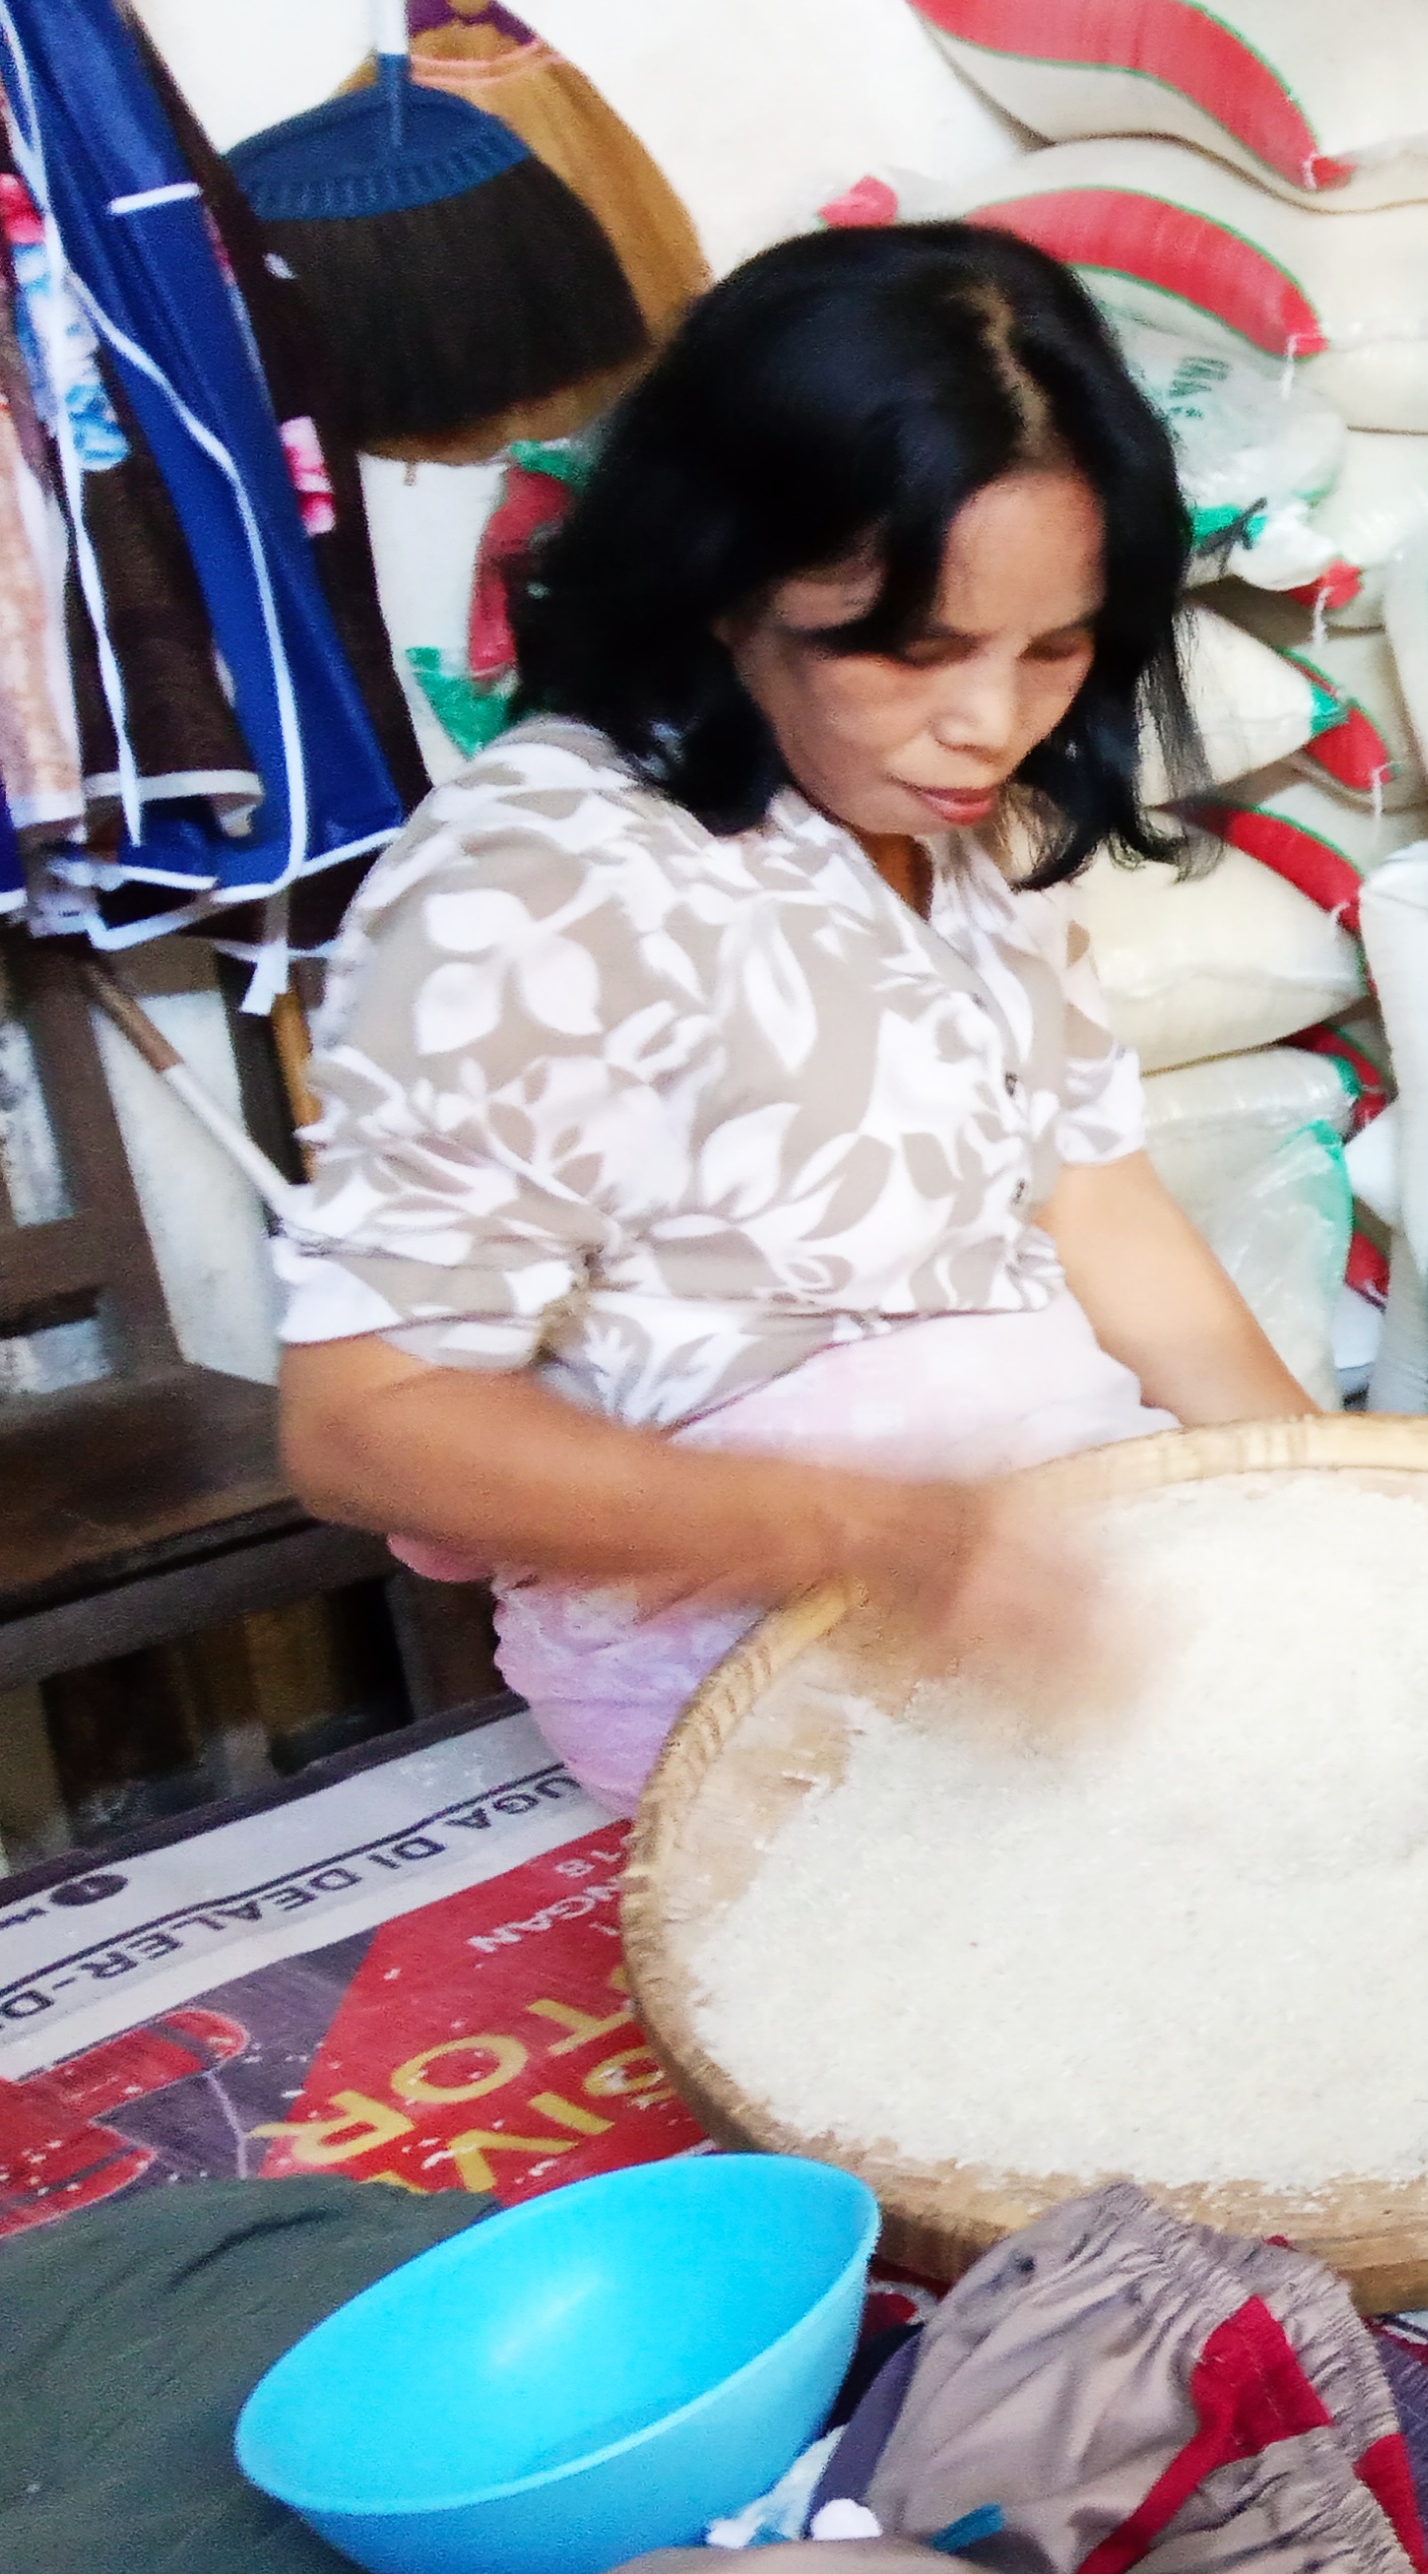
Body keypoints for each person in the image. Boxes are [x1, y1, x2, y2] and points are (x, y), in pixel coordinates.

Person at [273, 224, 1318, 1808]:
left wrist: (1331, 1500)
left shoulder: (955, 829)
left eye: (1055, 648)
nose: (993, 721)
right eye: (917, 650)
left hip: (1060, 1585)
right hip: (752, 1671)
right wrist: (880, 1535)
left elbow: (1095, 1194)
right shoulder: (540, 886)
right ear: (725, 581)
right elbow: (369, 1423)